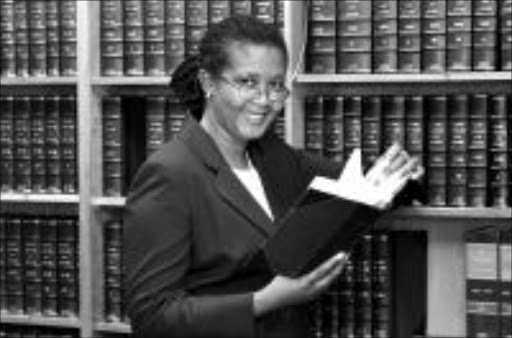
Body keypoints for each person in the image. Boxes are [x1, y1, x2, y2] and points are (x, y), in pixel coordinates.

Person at [123, 15, 422, 337]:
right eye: (247, 82)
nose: (265, 101)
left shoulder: (274, 157)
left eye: (276, 85)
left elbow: (367, 187)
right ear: (209, 83)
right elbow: (152, 318)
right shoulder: (169, 173)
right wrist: (266, 300)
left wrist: (401, 175)